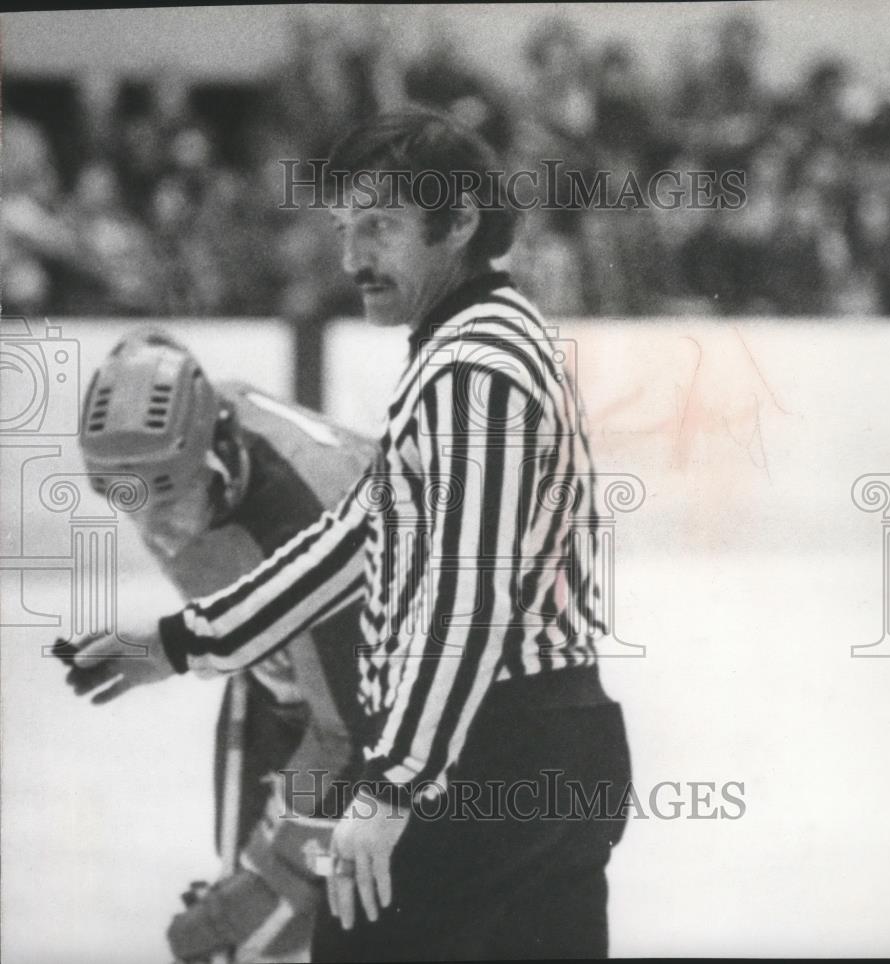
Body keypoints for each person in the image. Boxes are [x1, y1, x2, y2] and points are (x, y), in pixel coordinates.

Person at [68, 108, 633, 961]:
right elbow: (363, 535)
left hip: (483, 759)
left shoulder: (471, 369)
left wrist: (392, 785)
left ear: (459, 220)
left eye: (380, 226)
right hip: (528, 746)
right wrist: (187, 640)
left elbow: (464, 599)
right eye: (343, 228)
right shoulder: (475, 346)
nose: (350, 258)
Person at [63, 328, 376, 963]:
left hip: (392, 711)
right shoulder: (183, 447)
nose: (158, 533)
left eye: (169, 502)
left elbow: (351, 738)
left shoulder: (309, 513)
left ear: (216, 457)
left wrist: (264, 885)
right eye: (128, 504)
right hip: (296, 685)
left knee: (278, 927)